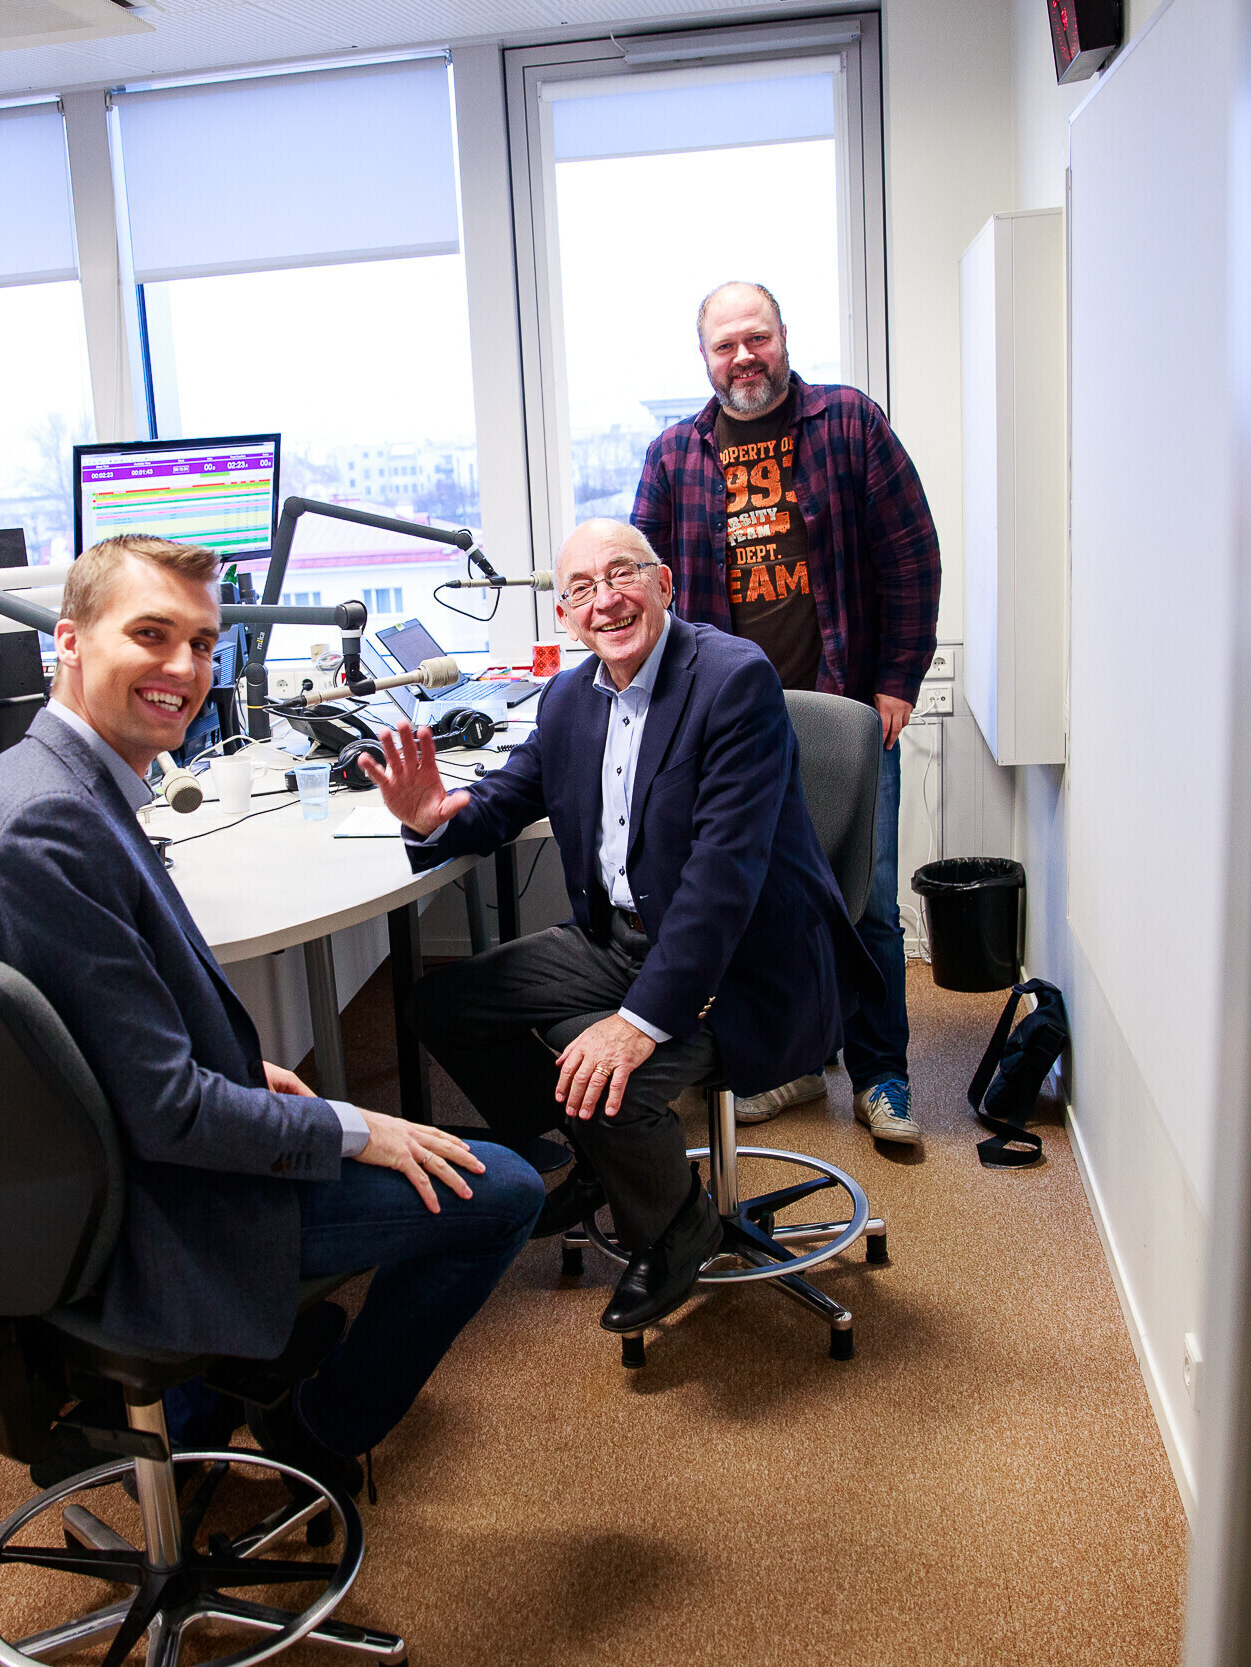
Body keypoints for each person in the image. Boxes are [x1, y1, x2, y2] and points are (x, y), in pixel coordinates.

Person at [0, 533, 543, 1491]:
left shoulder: (43, 780)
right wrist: (353, 1126)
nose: (185, 669)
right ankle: (319, 1424)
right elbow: (170, 1115)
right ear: (69, 641)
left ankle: (202, 1404)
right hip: (154, 1204)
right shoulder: (49, 827)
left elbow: (94, 1036)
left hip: (107, 1158)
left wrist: (241, 1072)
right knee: (501, 1189)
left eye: (201, 643)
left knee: (419, 1153)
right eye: (151, 635)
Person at [362, 520, 877, 1336]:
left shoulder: (732, 680)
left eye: (623, 574)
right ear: (565, 615)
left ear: (665, 583)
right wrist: (432, 817)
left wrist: (636, 1024)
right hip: (620, 940)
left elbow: (721, 883)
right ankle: (602, 1161)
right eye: (582, 589)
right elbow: (506, 797)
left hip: (746, 961)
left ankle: (677, 1228)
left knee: (609, 1081)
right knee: (445, 1007)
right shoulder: (570, 698)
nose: (605, 600)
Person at [632, 281, 943, 1152]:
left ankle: (881, 1074)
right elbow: (644, 588)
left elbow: (912, 557)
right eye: (725, 345)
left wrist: (898, 679)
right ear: (705, 358)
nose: (744, 358)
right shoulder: (674, 456)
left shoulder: (848, 423)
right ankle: (792, 1061)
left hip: (846, 711)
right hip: (732, 728)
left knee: (865, 903)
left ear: (782, 338)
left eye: (757, 338)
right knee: (754, 902)